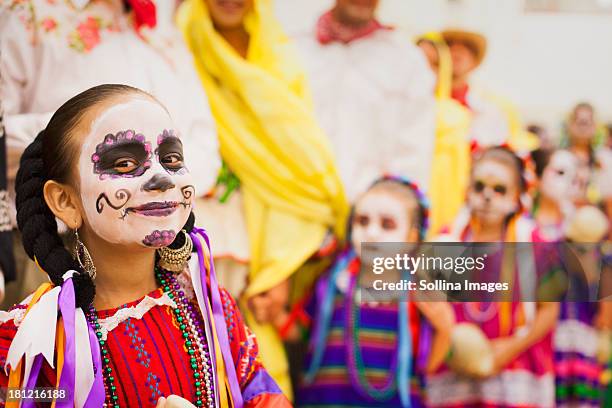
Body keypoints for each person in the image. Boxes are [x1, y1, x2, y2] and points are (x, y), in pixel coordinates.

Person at [0, 84, 290, 407]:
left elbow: (260, 394)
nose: (161, 178)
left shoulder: (209, 311)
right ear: (65, 201)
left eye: (171, 158)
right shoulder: (34, 345)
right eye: (124, 164)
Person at [177, 0, 348, 398]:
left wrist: (279, 269)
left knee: (255, 357)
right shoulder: (177, 47)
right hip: (194, 229)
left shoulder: (283, 58)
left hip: (267, 240)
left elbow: (294, 165)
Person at [0, 0, 220, 308]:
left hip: (156, 255)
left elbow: (203, 141)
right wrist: (79, 134)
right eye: (125, 162)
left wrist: (163, 178)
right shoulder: (25, 16)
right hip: (46, 249)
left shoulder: (164, 36)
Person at [278, 176, 453, 407]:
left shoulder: (418, 293)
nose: (371, 233)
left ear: (411, 238)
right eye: (362, 221)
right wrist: (273, 314)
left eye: (387, 225)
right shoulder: (332, 282)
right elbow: (302, 333)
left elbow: (427, 365)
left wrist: (445, 328)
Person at [427, 146, 559, 407]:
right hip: (455, 373)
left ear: (516, 197)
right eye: (479, 187)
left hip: (514, 371)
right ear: (467, 191)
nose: (487, 196)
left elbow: (549, 311)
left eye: (499, 189)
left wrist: (510, 347)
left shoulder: (535, 243)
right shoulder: (448, 240)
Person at [291, 0, 436, 201]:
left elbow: (414, 154)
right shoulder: (293, 48)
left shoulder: (406, 60)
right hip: (295, 202)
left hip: (367, 215)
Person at [442, 29, 536, 151]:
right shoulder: (422, 100)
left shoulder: (492, 107)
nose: (457, 53)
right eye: (450, 46)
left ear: (474, 61)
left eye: (466, 49)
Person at [416, 32, 472, 235]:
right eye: (418, 62)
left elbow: (460, 175)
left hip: (442, 224)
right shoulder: (390, 114)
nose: (424, 71)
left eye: (433, 64)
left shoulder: (456, 117)